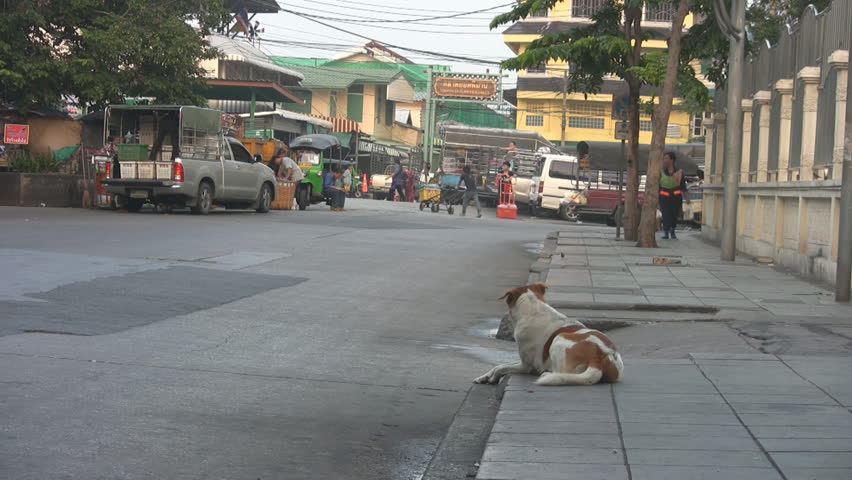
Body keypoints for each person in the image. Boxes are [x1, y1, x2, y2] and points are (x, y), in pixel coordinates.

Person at [659, 151, 690, 239]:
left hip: (675, 197)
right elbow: (658, 186)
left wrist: (687, 198)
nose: (665, 160)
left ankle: (672, 230)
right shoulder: (661, 172)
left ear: (672, 160)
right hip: (664, 197)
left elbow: (683, 186)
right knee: (665, 215)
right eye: (664, 158)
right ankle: (666, 232)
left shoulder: (679, 172)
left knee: (674, 215)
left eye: (666, 158)